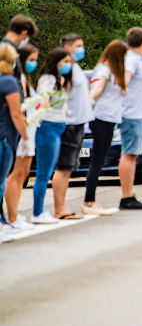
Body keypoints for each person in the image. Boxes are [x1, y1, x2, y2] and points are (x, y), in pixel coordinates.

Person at [81, 40, 127, 215]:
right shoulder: (105, 69)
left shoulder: (109, 69)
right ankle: (89, 201)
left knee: (98, 161)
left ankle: (90, 200)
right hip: (102, 118)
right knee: (97, 161)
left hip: (107, 118)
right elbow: (98, 88)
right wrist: (90, 99)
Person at [51, 33, 93, 220]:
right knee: (63, 167)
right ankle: (60, 209)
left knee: (68, 168)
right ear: (67, 47)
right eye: (78, 45)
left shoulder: (75, 68)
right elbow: (59, 91)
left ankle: (63, 207)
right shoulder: (65, 69)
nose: (81, 49)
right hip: (70, 123)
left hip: (79, 123)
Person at [31, 48, 73, 224]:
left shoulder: (60, 80)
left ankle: (39, 211)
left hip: (58, 127)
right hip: (48, 128)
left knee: (48, 171)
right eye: (65, 62)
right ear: (56, 62)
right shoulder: (47, 80)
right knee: (43, 173)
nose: (68, 66)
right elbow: (44, 99)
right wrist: (44, 104)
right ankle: (37, 212)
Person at [5, 44, 39, 229]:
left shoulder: (25, 78)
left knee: (24, 173)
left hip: (31, 128)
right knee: (16, 174)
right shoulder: (16, 80)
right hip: (22, 129)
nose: (34, 63)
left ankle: (14, 214)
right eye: (31, 59)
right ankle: (11, 216)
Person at [119, 27, 142, 210]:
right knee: (129, 154)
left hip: (138, 114)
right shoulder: (131, 59)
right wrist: (124, 87)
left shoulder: (137, 60)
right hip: (132, 114)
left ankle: (129, 193)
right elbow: (125, 77)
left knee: (132, 155)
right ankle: (126, 195)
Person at [0, 44, 27, 241]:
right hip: (5, 136)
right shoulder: (9, 82)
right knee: (1, 181)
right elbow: (16, 113)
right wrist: (25, 136)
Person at [1, 14, 38, 97]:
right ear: (24, 32)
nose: (26, 40)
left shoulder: (9, 48)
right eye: (27, 36)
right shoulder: (7, 52)